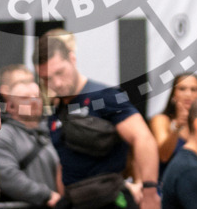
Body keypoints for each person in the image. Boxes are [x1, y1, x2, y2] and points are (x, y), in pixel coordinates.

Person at [34, 30, 160, 209]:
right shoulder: (56, 111)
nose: (57, 83)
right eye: (47, 79)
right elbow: (64, 163)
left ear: (72, 59)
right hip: (74, 200)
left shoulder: (105, 97)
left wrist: (149, 192)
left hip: (110, 200)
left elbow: (143, 138)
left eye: (60, 72)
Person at [0, 79, 62, 208]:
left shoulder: (54, 132)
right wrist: (47, 195)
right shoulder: (1, 136)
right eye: (25, 98)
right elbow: (8, 177)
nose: (34, 101)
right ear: (11, 106)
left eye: (37, 96)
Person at [149, 73, 197, 178]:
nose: (188, 94)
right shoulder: (161, 120)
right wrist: (177, 126)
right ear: (173, 95)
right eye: (182, 89)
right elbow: (164, 156)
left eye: (194, 90)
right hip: (166, 182)